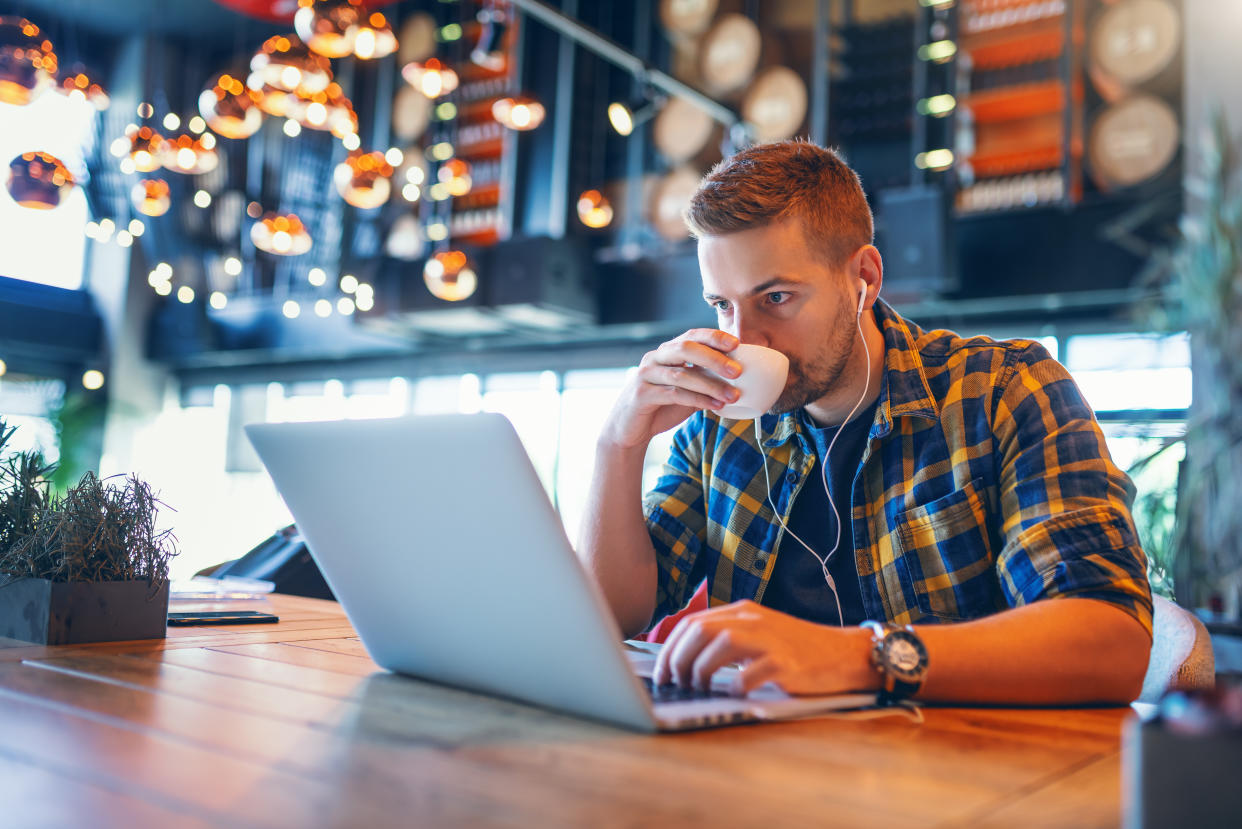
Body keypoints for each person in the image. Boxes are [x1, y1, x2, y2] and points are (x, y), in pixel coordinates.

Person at [578, 139, 1153, 706]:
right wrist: (618, 443)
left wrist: (855, 656)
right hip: (762, 762)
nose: (743, 339)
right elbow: (614, 617)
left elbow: (1112, 642)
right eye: (723, 306)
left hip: (962, 772)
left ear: (865, 278)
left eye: (775, 297)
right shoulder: (718, 427)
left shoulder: (1002, 391)